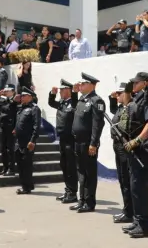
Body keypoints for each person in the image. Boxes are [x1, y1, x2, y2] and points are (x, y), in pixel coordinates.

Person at [121, 72, 148, 238]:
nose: (133, 85)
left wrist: (137, 141)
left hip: (144, 150)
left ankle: (145, 225)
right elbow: (126, 103)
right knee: (134, 187)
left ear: (145, 83)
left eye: (136, 82)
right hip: (135, 150)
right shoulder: (138, 98)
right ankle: (138, 221)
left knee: (140, 188)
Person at [71, 72, 106, 213]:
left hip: (88, 143)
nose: (80, 85)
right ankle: (82, 200)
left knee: (89, 173)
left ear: (92, 85)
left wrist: (93, 143)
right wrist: (74, 93)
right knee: (81, 172)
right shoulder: (81, 100)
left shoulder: (96, 101)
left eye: (83, 83)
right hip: (78, 142)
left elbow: (98, 124)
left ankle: (89, 202)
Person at [48, 79, 79, 204]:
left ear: (68, 90)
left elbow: (76, 104)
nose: (60, 92)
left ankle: (72, 193)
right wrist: (52, 93)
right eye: (60, 90)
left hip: (71, 140)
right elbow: (51, 103)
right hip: (62, 138)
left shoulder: (74, 103)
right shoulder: (62, 103)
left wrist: (75, 92)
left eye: (62, 90)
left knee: (71, 167)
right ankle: (67, 190)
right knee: (64, 165)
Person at [109, 82, 134, 224]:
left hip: (125, 148)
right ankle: (127, 210)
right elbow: (113, 110)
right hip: (117, 147)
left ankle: (130, 212)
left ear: (126, 94)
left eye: (119, 94)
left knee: (127, 181)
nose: (117, 96)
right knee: (122, 180)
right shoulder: (120, 108)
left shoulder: (130, 108)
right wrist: (112, 97)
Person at [14, 87, 41, 194]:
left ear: (30, 97)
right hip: (18, 141)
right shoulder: (22, 108)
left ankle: (27, 187)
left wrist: (33, 141)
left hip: (27, 142)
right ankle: (25, 185)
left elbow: (36, 126)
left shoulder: (34, 109)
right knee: (20, 164)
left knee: (26, 165)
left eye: (24, 96)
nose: (21, 97)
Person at [0, 84, 18, 176]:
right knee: (3, 149)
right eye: (5, 90)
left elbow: (17, 115)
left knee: (10, 149)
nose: (6, 92)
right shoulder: (4, 100)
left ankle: (11, 169)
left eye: (8, 90)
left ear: (12, 91)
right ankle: (5, 168)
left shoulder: (16, 101)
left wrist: (16, 128)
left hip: (11, 127)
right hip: (3, 126)